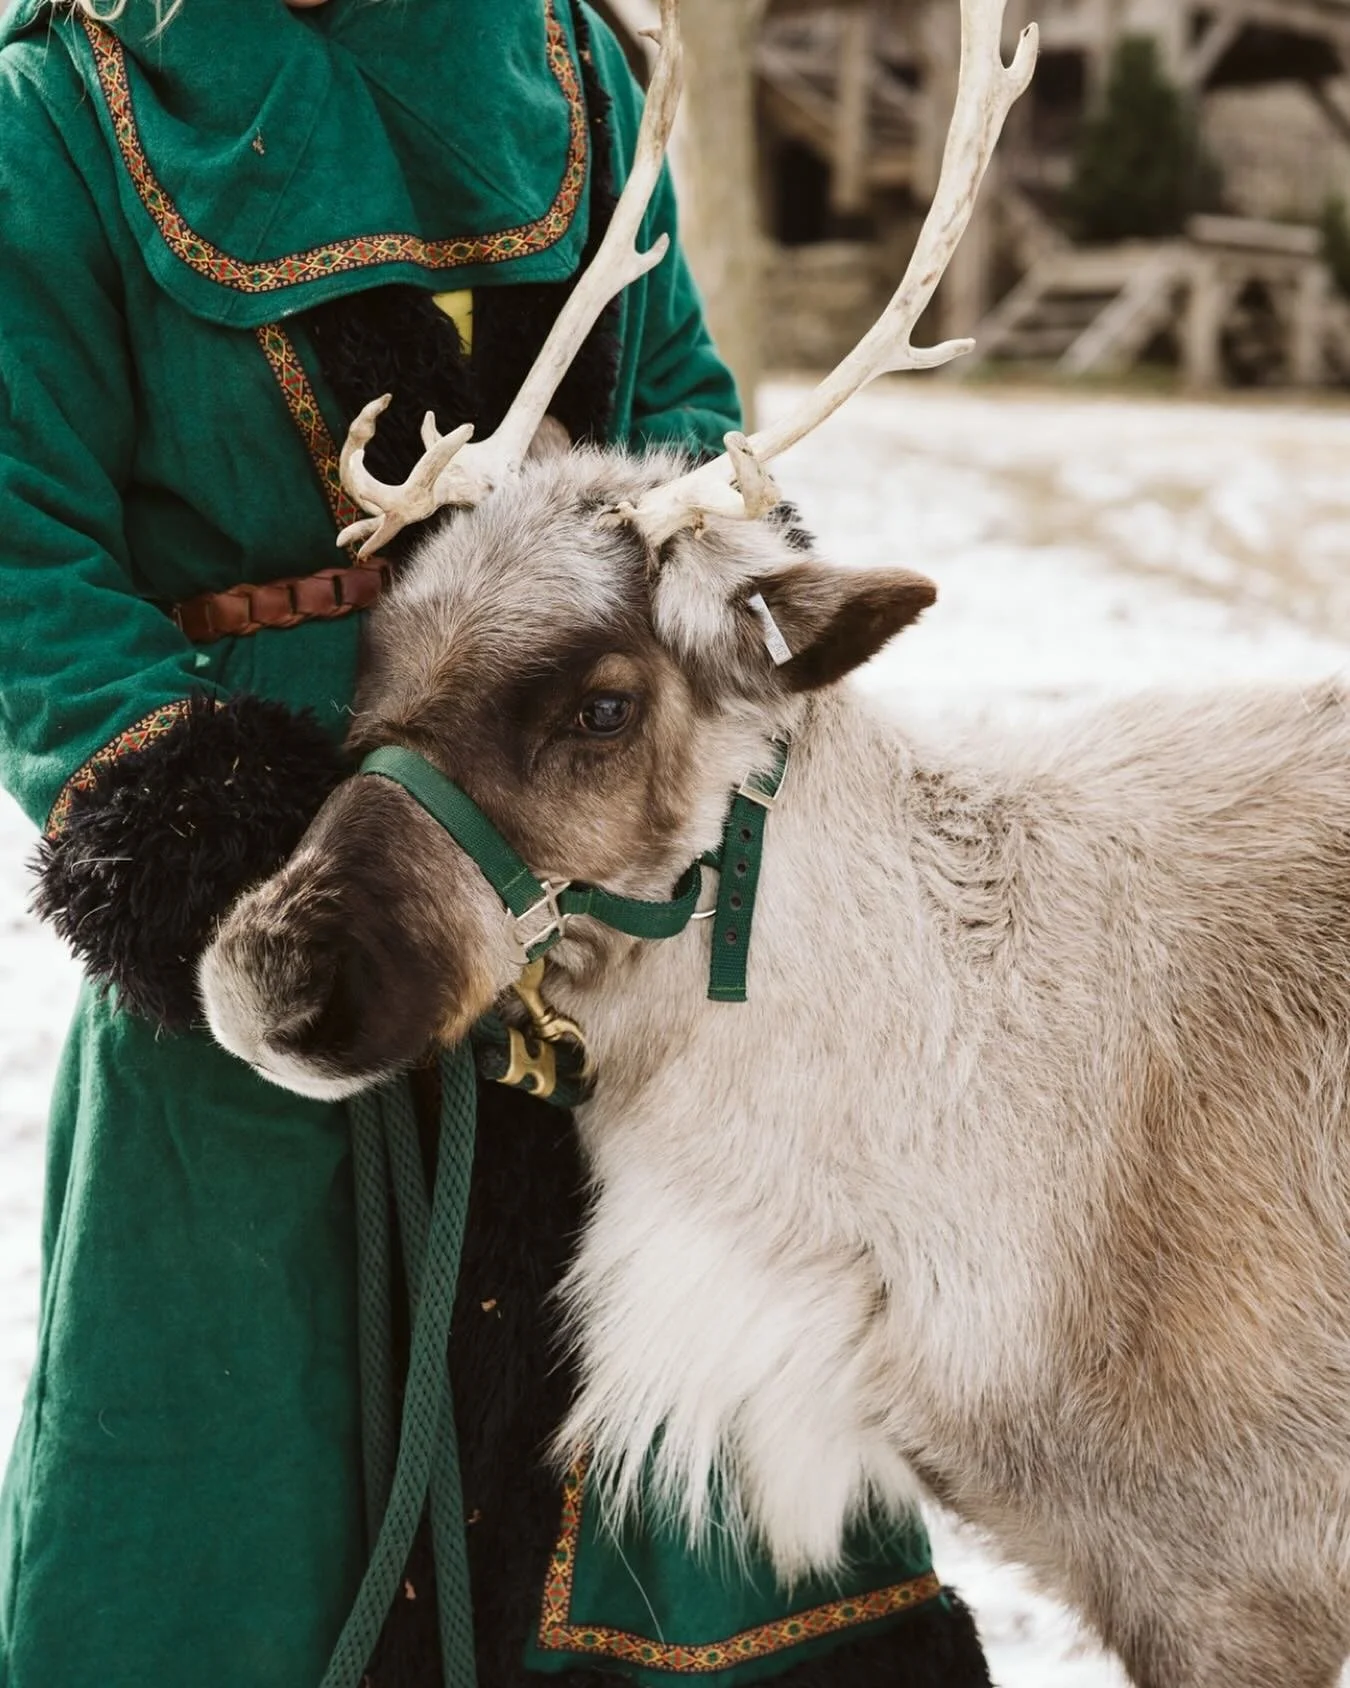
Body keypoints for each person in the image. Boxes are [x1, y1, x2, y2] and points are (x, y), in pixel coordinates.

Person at [0, 0, 996, 1683]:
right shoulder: (55, 113)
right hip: (272, 860)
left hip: (594, 865)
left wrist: (698, 610)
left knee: (675, 1427)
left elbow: (675, 401)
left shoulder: (567, 64)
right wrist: (198, 829)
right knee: (245, 1435)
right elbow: (21, 536)